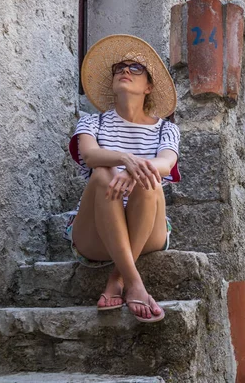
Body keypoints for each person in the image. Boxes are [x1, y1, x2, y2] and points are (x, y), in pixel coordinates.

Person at [66, 34, 180, 323]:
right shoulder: (93, 122)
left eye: (135, 68)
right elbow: (90, 156)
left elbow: (166, 163)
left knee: (150, 178)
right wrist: (124, 159)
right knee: (102, 173)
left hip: (148, 230)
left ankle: (119, 278)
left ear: (149, 86)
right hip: (95, 234)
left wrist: (135, 169)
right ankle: (136, 285)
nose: (125, 71)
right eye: (120, 67)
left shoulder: (166, 129)